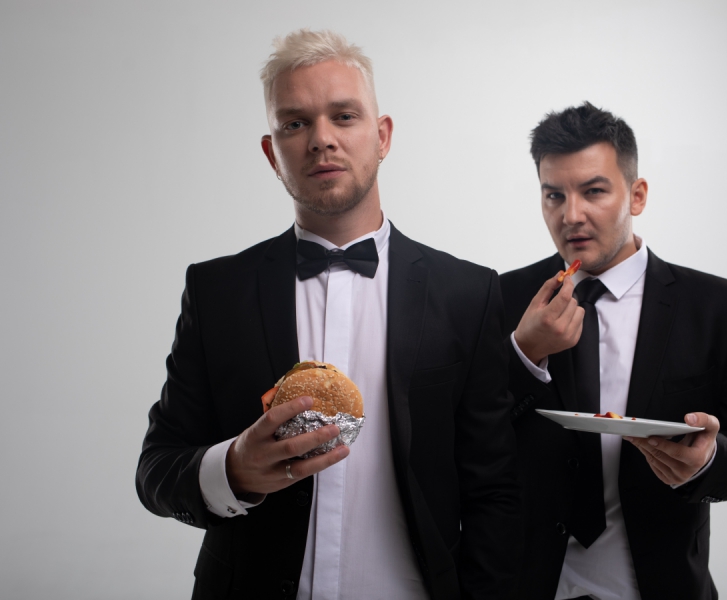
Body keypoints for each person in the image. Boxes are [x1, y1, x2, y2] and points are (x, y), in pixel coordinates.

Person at [136, 29, 520, 600]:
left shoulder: (469, 293)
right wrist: (232, 469)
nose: (322, 140)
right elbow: (156, 470)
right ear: (272, 153)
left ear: (382, 136)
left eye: (344, 116)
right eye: (295, 123)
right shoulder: (216, 291)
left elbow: (494, 489)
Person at [500, 102, 727, 600]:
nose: (571, 215)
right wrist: (524, 355)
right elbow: (462, 446)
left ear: (636, 196)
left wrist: (708, 461)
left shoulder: (715, 306)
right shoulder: (504, 300)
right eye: (554, 195)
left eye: (594, 191)